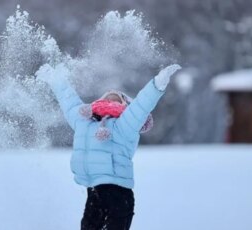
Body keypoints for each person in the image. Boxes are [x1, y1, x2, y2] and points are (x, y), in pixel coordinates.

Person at [36, 63, 181, 230]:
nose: (111, 100)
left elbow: (141, 106)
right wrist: (55, 80)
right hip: (94, 193)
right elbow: (69, 101)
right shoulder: (84, 122)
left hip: (119, 195)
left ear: (126, 106)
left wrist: (156, 85)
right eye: (107, 98)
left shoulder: (125, 124)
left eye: (117, 99)